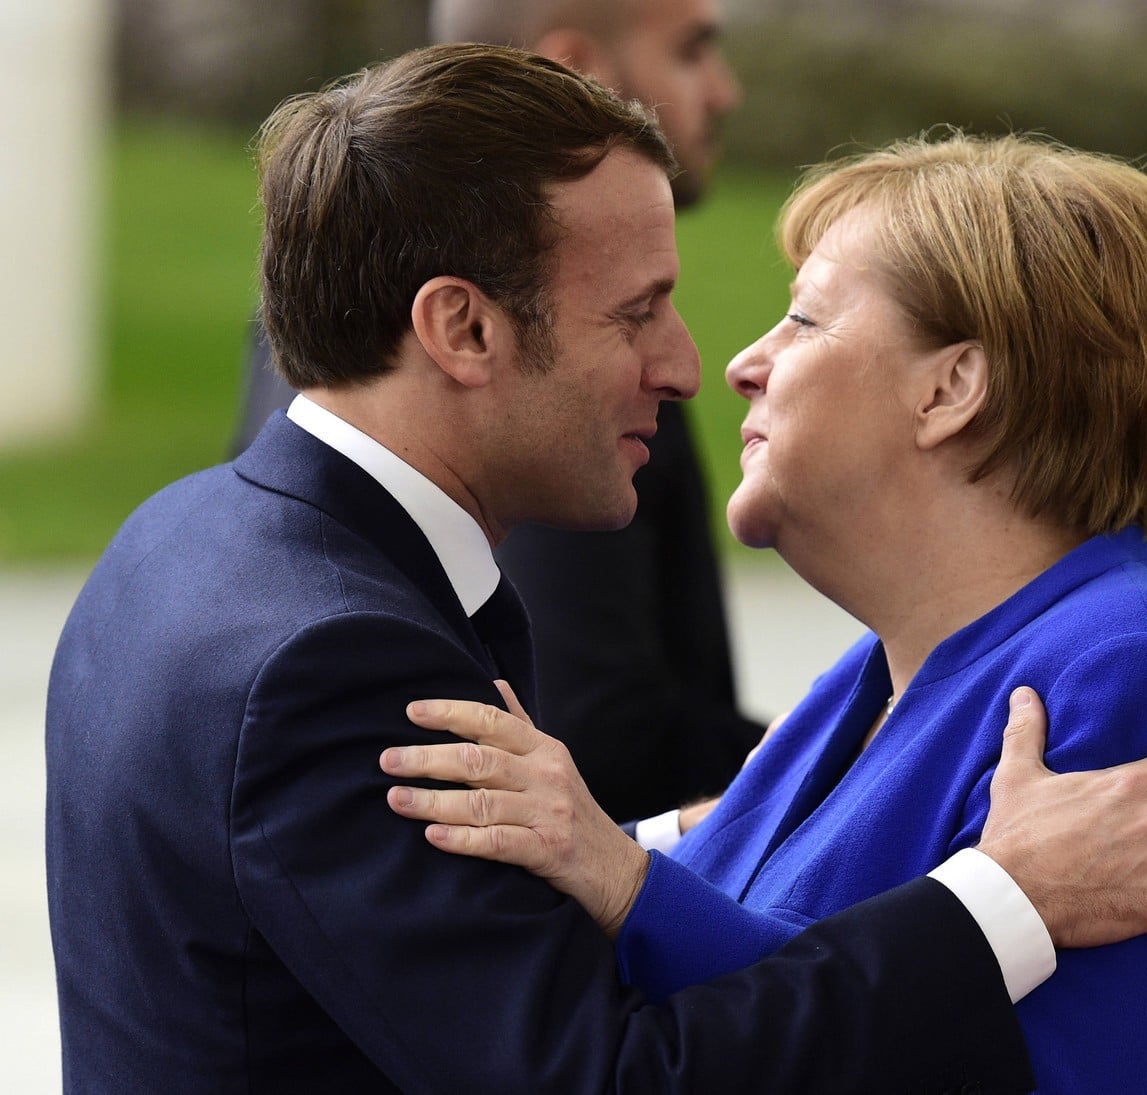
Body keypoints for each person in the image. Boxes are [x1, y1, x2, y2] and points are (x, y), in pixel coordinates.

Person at [46, 47, 1147, 1093]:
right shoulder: (331, 652)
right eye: (638, 312)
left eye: (805, 322)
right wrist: (1001, 904)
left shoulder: (191, 538)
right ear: (462, 329)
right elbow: (609, 1068)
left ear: (953, 387)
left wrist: (625, 855)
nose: (700, 365)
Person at [380, 133, 1147, 1090]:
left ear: (950, 389)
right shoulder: (883, 670)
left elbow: (969, 1067)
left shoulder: (1125, 665)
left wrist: (615, 872)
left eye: (805, 320)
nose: (744, 363)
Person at [231, 0, 758, 821]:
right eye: (692, 52)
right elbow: (592, 741)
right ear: (465, 330)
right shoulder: (521, 415)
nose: (725, 92)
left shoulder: (330, 313)